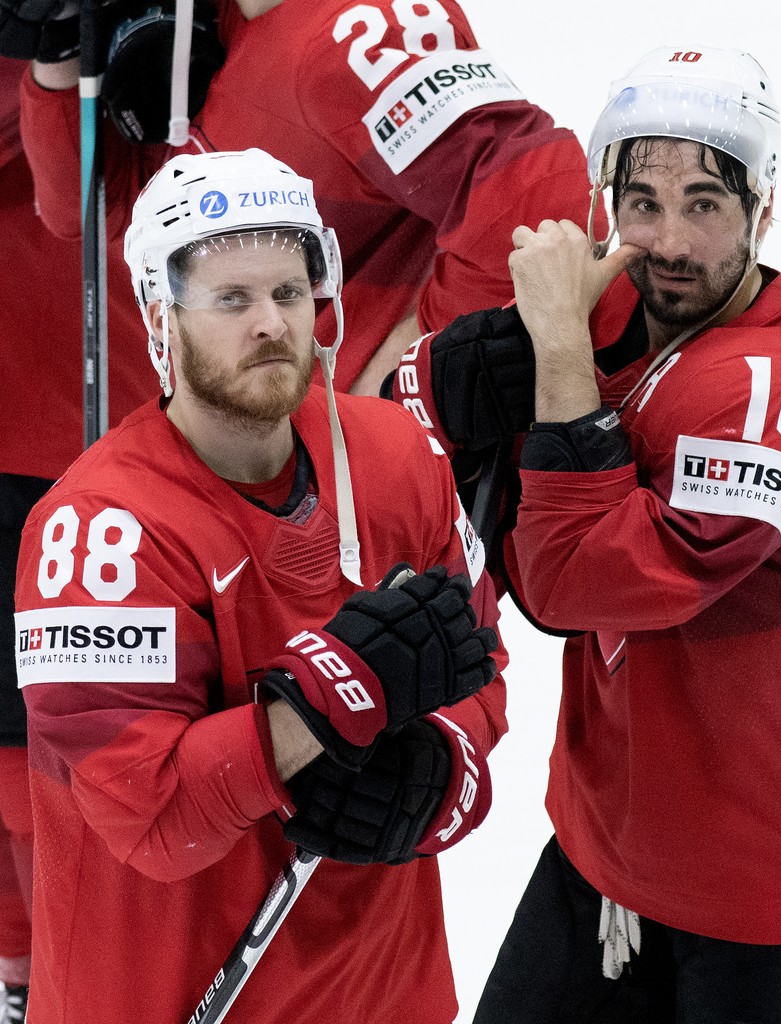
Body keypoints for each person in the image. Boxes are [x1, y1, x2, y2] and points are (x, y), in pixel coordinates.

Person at [407, 45, 781, 1022]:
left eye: (705, 205)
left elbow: (577, 586)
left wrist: (555, 357)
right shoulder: (611, 323)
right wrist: (462, 386)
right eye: (642, 202)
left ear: (764, 211)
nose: (670, 239)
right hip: (607, 857)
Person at [12, 148, 505, 1024]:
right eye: (231, 300)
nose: (272, 324)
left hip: (389, 993)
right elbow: (155, 819)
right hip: (159, 994)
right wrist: (323, 701)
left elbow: (477, 665)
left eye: (287, 292)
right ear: (160, 319)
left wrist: (434, 778)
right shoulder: (94, 531)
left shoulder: (393, 454)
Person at [17, 0, 595, 397]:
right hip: (275, 442)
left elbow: (542, 194)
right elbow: (90, 213)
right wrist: (63, 45)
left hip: (365, 465)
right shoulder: (205, 23)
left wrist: (413, 366)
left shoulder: (350, 32)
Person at [0, 53, 163, 1021]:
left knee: (103, 743)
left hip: (134, 408)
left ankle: (77, 977)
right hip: (25, 395)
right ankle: (26, 973)